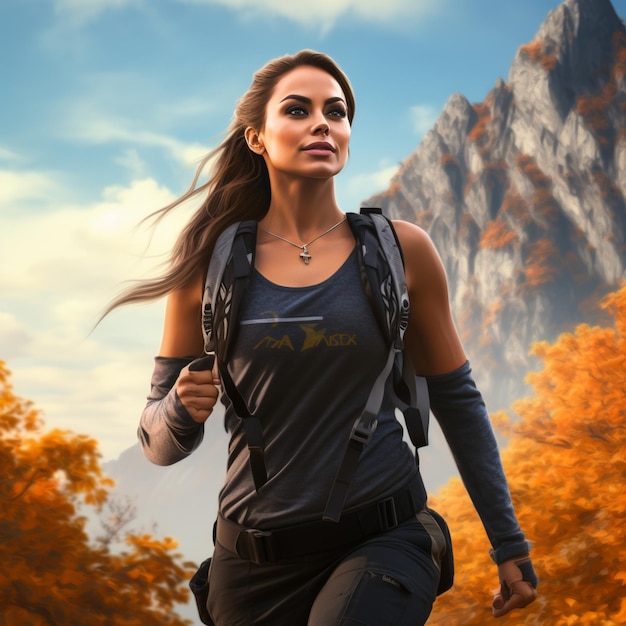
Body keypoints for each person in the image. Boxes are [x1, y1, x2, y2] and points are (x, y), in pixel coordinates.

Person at [106, 50, 538, 625]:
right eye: (297, 110)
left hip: (384, 537)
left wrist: (509, 546)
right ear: (257, 137)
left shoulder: (400, 251)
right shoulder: (207, 271)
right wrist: (181, 411)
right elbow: (157, 445)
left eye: (335, 112)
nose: (321, 123)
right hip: (252, 561)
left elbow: (458, 403)